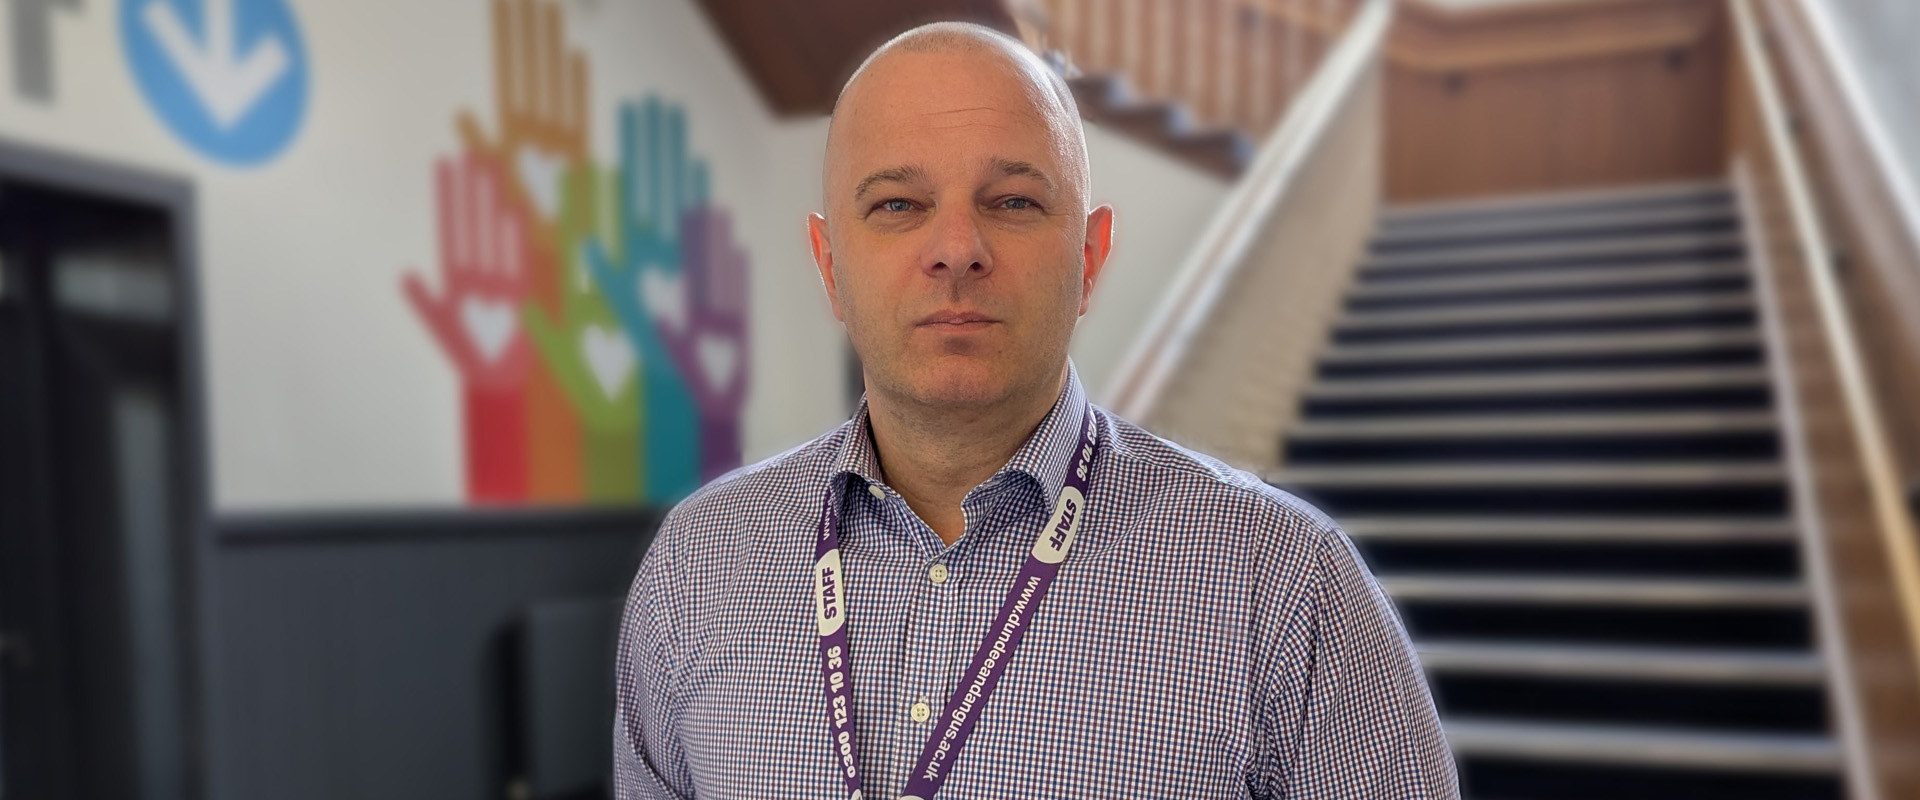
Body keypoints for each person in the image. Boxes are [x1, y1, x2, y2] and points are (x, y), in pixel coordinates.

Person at [613, 21, 1456, 800]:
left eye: (1013, 201)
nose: (956, 250)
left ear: (1089, 258)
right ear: (830, 266)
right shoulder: (696, 568)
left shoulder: (1288, 586)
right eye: (897, 204)